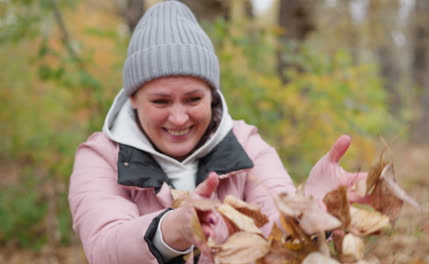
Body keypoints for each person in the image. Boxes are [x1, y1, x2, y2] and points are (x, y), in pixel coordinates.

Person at [68, 1, 366, 263]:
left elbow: (277, 235)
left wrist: (313, 205)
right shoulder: (101, 156)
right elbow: (104, 247)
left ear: (212, 95)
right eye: (160, 101)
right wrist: (173, 229)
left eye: (193, 99)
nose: (179, 117)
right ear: (132, 98)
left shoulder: (247, 144)